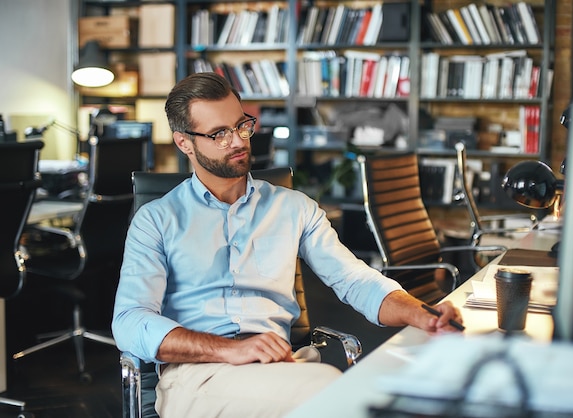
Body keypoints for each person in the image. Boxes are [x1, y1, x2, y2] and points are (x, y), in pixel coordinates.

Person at [112, 72, 463, 418]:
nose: (237, 141)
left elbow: (354, 280)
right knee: (332, 394)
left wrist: (422, 314)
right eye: (219, 134)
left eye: (241, 126)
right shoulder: (156, 220)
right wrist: (228, 350)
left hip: (281, 364)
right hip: (198, 375)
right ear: (184, 142)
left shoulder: (293, 207)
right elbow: (129, 321)